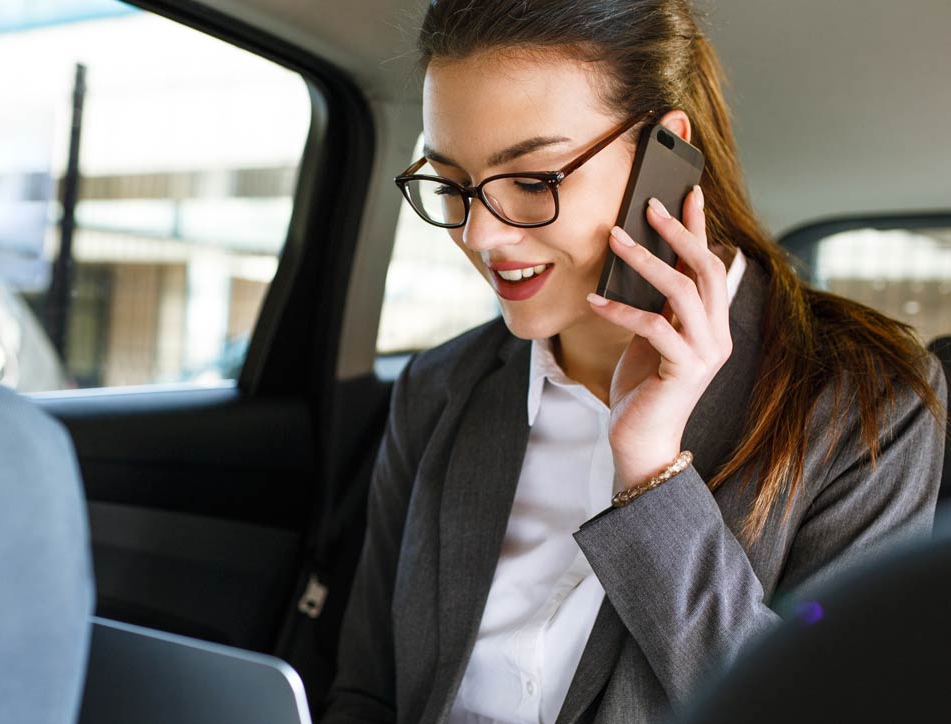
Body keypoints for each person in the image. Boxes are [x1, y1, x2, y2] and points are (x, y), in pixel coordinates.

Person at [321, 1, 946, 723]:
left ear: (664, 153)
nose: (481, 235)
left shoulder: (868, 402)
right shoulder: (440, 389)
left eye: (534, 181)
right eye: (452, 183)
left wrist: (651, 476)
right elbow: (368, 694)